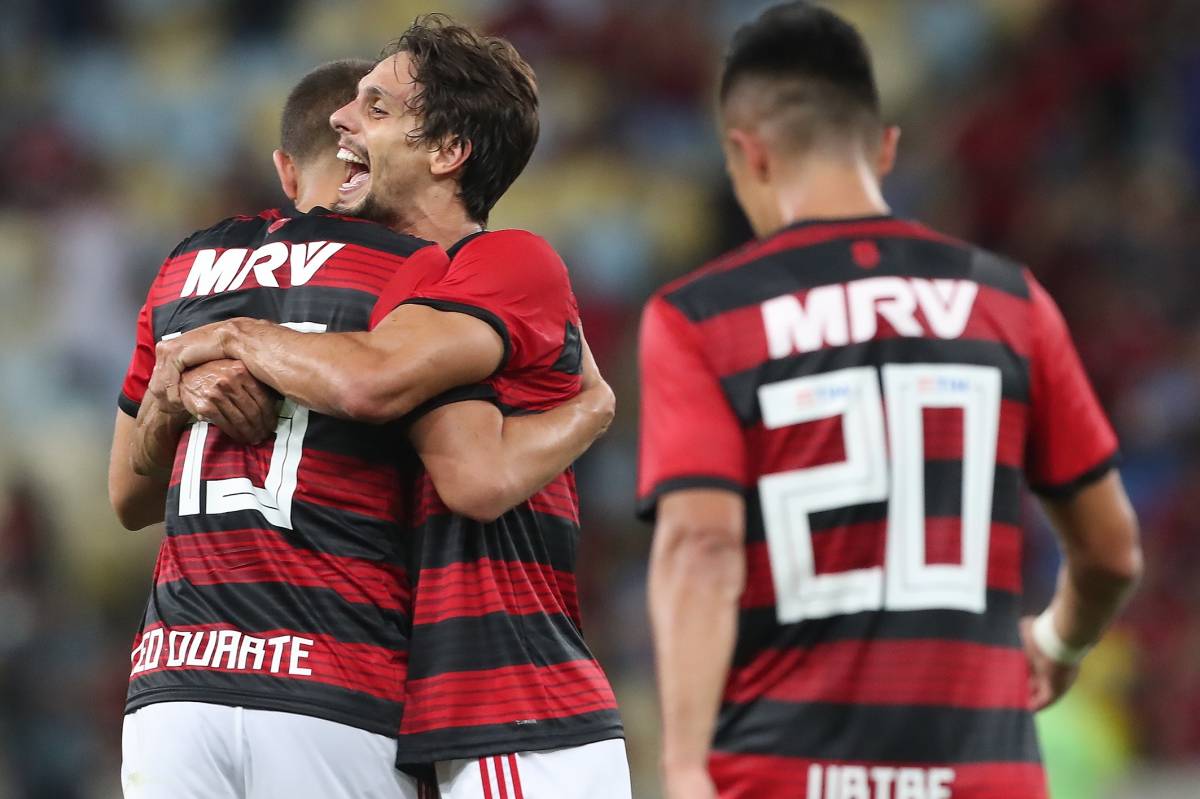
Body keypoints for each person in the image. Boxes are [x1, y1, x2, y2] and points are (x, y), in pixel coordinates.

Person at [637, 4, 1144, 799]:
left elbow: (701, 548)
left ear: (748, 155)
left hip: (783, 774)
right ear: (886, 146)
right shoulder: (1009, 302)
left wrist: (684, 767)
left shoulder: (702, 317)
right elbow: (1112, 550)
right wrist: (1058, 639)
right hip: (982, 775)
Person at [149, 16, 630, 799]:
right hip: (445, 720)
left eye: (374, 108)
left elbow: (418, 427)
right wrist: (190, 379)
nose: (341, 116)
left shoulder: (504, 260)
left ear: (446, 154)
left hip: (515, 706)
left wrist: (227, 333)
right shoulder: (399, 292)